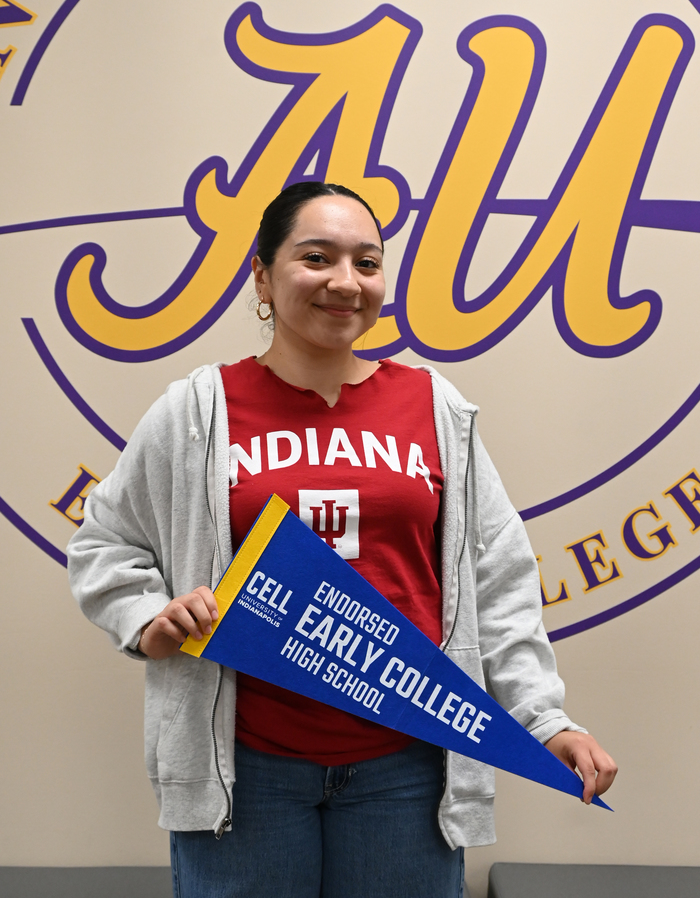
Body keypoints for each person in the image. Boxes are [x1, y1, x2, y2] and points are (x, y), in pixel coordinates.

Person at [68, 181, 617, 898]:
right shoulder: (198, 410)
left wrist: (543, 719)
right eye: (316, 258)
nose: (345, 282)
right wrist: (150, 618)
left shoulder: (433, 407)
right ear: (261, 274)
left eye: (367, 262)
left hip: (408, 765)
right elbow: (104, 543)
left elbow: (498, 580)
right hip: (247, 772)